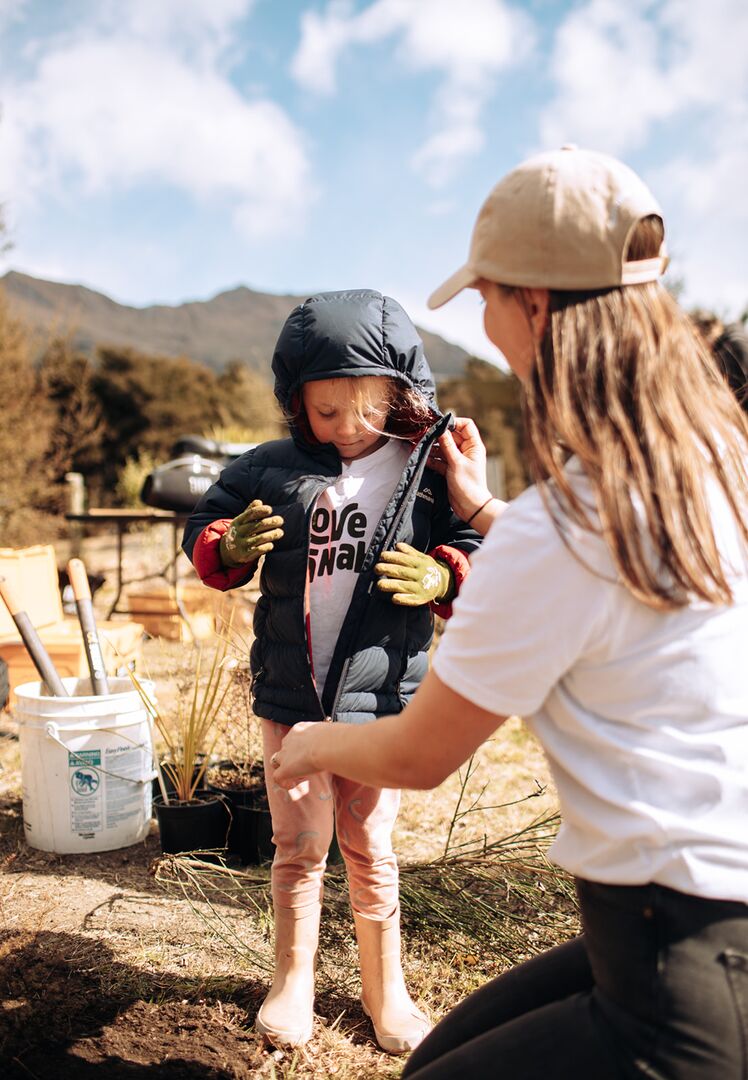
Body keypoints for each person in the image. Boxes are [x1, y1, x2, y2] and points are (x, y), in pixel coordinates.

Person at [269, 148, 748, 1078]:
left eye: (486, 296)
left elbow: (418, 756)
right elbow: (599, 575)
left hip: (680, 973)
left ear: (534, 302)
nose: (483, 323)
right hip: (694, 918)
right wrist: (486, 508)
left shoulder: (569, 520)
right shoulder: (709, 456)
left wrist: (314, 743)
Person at [182, 289, 482, 1053]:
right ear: (296, 405)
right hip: (292, 695)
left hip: (383, 702)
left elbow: (478, 545)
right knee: (297, 843)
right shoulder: (269, 468)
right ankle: (293, 982)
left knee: (371, 847)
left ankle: (389, 993)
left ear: (400, 395)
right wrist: (230, 542)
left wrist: (445, 576)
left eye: (366, 408)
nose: (348, 426)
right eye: (326, 412)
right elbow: (203, 530)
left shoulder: (428, 468)